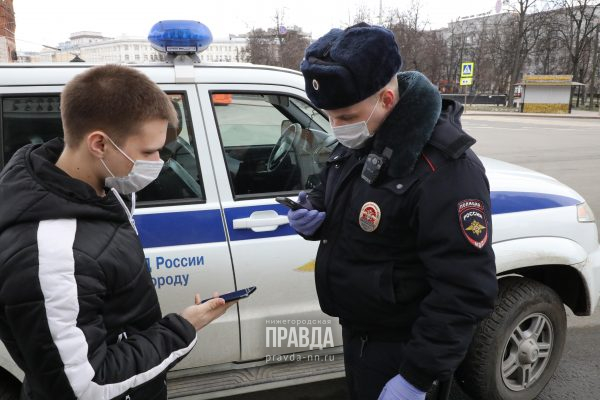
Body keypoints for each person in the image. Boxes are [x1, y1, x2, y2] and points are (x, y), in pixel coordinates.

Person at [290, 23, 498, 400]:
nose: (337, 128)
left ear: (386, 99)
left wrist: (416, 378)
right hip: (361, 335)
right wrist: (315, 212)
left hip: (405, 350)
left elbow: (465, 289)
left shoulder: (446, 169)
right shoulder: (367, 133)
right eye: (330, 117)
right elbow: (340, 188)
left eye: (346, 117)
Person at [0, 65, 233, 400]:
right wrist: (182, 328)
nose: (159, 162)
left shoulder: (99, 190)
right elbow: (85, 386)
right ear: (99, 143)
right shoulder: (53, 250)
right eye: (148, 151)